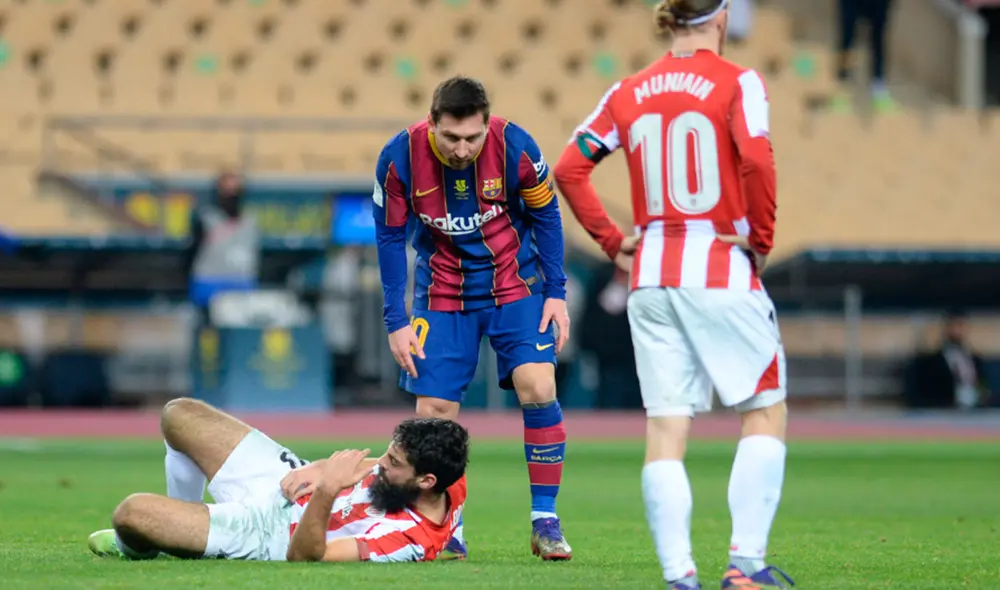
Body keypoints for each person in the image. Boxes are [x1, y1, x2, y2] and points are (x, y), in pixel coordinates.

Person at [552, 1, 793, 588]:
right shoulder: (738, 81)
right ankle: (745, 566)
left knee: (665, 428)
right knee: (764, 410)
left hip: (651, 272)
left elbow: (568, 168)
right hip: (717, 264)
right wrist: (761, 238)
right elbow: (756, 159)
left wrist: (612, 242)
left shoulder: (628, 90)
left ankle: (679, 575)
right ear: (723, 15)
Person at [372, 75, 572, 561]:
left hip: (516, 284)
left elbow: (547, 216)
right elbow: (389, 238)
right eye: (451, 137)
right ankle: (447, 526)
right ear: (431, 123)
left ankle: (544, 520)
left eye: (472, 138)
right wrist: (396, 318)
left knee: (538, 386)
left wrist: (557, 292)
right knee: (433, 413)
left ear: (486, 125)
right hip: (442, 291)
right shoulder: (398, 158)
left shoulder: (516, 147)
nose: (462, 149)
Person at [87, 397, 468, 563]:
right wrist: (319, 467)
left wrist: (327, 488)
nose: (379, 464)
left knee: (132, 514)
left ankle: (143, 546)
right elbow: (384, 464)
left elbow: (305, 556)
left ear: (425, 481)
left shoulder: (405, 542)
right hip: (284, 479)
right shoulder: (449, 477)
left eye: (392, 462)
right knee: (179, 414)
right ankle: (179, 530)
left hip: (270, 533)